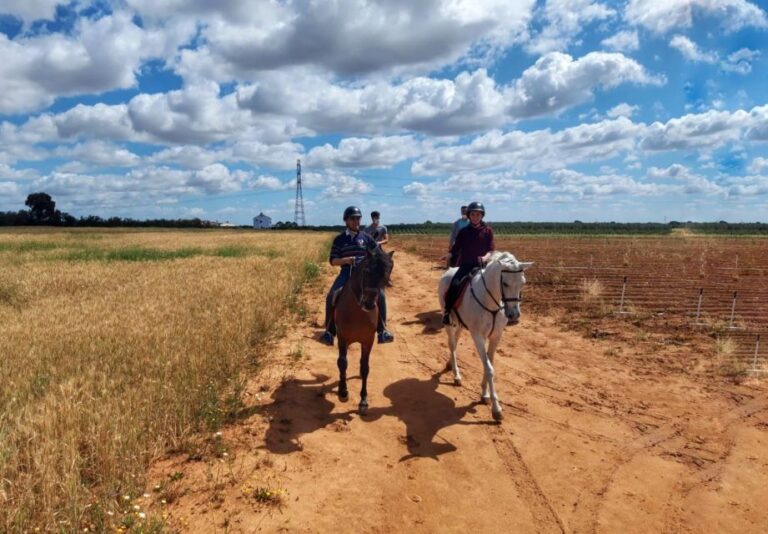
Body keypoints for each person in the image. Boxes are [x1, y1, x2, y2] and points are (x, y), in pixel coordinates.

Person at [320, 206, 395, 345]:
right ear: (346, 221)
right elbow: (333, 261)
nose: (356, 221)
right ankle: (329, 331)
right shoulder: (339, 240)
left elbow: (377, 254)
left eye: (358, 218)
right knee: (332, 295)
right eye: (352, 218)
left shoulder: (366, 238)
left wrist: (385, 260)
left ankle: (382, 330)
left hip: (365, 275)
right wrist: (347, 260)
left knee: (381, 296)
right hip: (346, 272)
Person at [441, 201, 495, 325]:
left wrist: (485, 257)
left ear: (482, 216)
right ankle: (447, 312)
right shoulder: (464, 232)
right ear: (469, 216)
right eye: (473, 214)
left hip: (483, 266)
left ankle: (503, 313)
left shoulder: (488, 231)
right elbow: (455, 249)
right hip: (466, 265)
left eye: (478, 215)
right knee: (454, 285)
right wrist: (448, 255)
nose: (475, 217)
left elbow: (491, 250)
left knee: (499, 285)